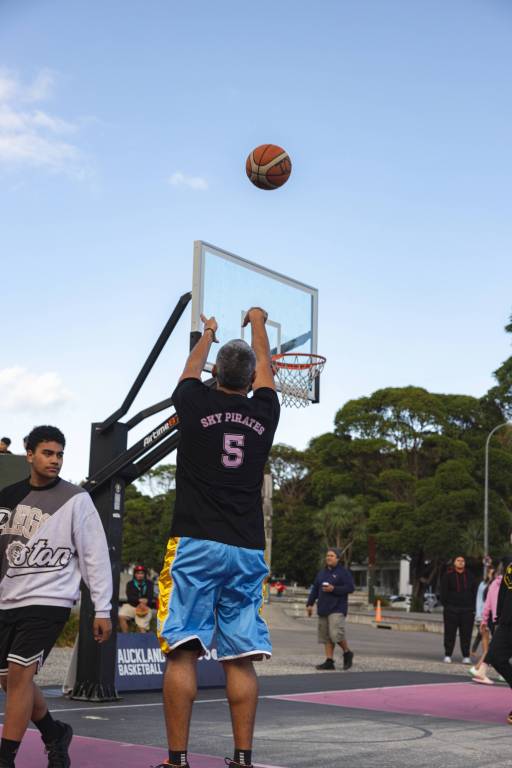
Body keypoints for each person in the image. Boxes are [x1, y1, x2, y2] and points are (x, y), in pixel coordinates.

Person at [156, 307, 280, 768]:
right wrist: (259, 323)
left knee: (183, 652)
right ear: (249, 381)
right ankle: (243, 759)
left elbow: (188, 372)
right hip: (246, 546)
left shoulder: (193, 402)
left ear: (215, 375)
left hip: (196, 541)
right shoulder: (265, 412)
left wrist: (207, 333)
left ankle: (178, 760)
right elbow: (266, 368)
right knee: (241, 657)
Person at [0, 425, 113, 768]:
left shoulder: (77, 499)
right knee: (9, 681)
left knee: (20, 676)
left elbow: (95, 554)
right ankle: (54, 733)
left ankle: (6, 758)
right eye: (48, 453)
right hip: (8, 600)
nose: (55, 460)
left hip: (50, 600)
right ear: (29, 453)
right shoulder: (7, 497)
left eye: (60, 454)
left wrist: (103, 609)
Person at [306, 547, 355, 671]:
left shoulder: (343, 572)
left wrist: (334, 589)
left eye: (332, 556)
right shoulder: (322, 573)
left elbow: (350, 588)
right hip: (323, 608)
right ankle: (329, 661)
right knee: (326, 636)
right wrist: (310, 604)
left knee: (335, 634)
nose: (329, 557)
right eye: (328, 555)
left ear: (338, 558)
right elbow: (315, 589)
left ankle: (347, 652)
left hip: (337, 608)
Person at [486, 556, 512, 723]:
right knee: (495, 656)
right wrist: (497, 618)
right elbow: (503, 591)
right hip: (507, 622)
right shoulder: (510, 564)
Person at [440, 555, 477, 664]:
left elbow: (474, 592)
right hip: (451, 610)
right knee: (449, 633)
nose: (461, 562)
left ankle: (466, 656)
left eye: (463, 561)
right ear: (454, 562)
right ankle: (447, 654)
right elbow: (443, 592)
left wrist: (473, 608)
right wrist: (447, 606)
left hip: (467, 610)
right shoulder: (448, 575)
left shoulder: (470, 576)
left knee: (466, 634)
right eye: (458, 560)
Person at [470, 565, 500, 684]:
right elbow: (485, 602)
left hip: (494, 618)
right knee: (495, 647)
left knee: (495, 646)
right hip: (500, 619)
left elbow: (487, 603)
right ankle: (479, 669)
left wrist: (484, 619)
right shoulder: (498, 585)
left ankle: (479, 669)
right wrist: (482, 618)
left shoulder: (493, 584)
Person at [119, 565, 155, 633]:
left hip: (145, 607)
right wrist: (139, 600)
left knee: (141, 627)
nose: (140, 575)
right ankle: (126, 636)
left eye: (142, 573)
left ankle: (143, 641)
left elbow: (150, 597)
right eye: (138, 573)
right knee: (121, 615)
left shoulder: (149, 584)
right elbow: (130, 598)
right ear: (135, 574)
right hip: (132, 605)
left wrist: (145, 602)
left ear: (144, 574)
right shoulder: (130, 584)